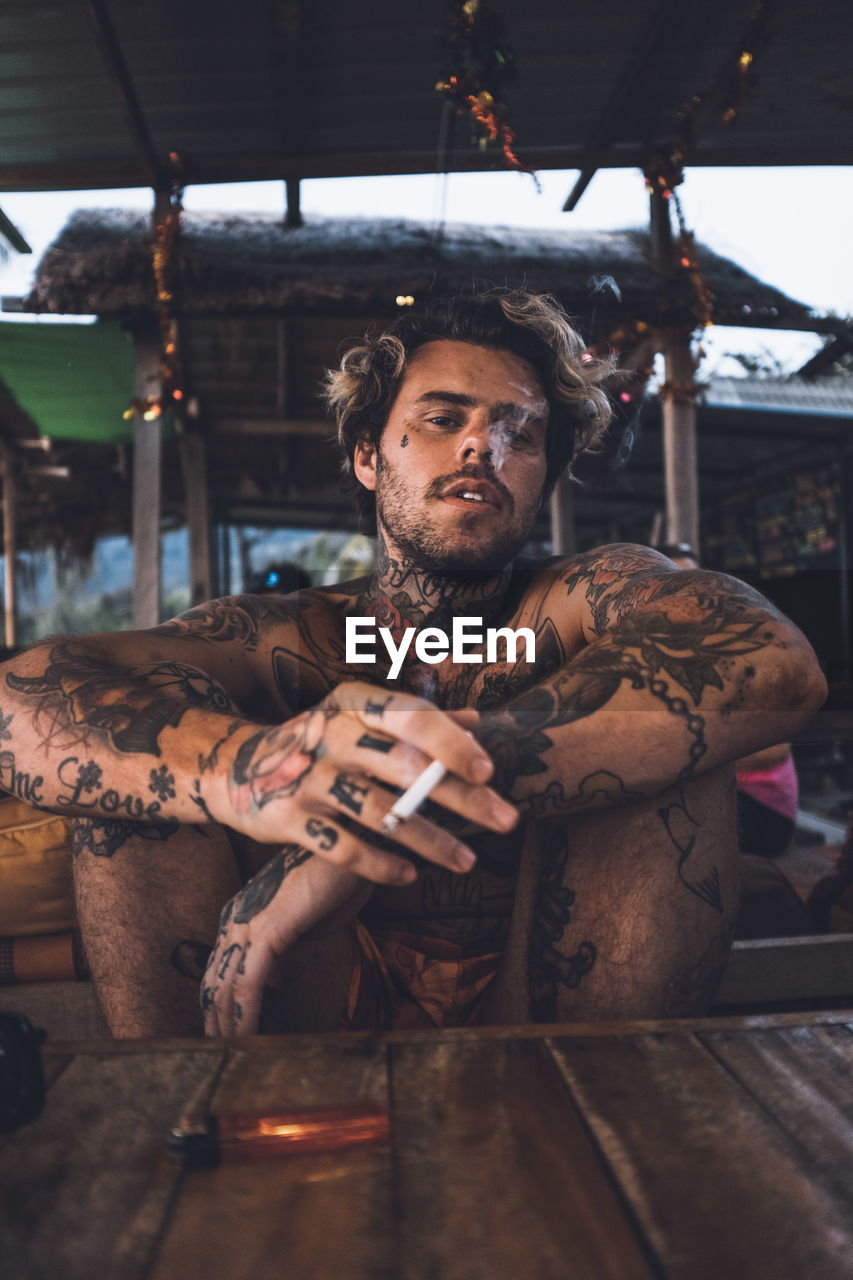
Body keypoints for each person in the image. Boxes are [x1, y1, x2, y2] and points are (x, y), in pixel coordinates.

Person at [0, 290, 826, 1037]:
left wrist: (391, 799)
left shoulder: (585, 598)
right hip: (294, 1000)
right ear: (368, 456)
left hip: (559, 1009)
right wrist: (248, 772)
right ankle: (184, 1122)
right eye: (443, 417)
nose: (482, 446)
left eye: (521, 432)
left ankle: (587, 1146)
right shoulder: (278, 636)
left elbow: (772, 657)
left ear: (541, 478)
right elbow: (23, 697)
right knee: (131, 767)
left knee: (672, 743)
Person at [653, 542, 800, 858]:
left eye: (695, 583)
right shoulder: (662, 651)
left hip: (761, 809)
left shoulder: (742, 645)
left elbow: (776, 749)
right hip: (711, 794)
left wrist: (680, 760)